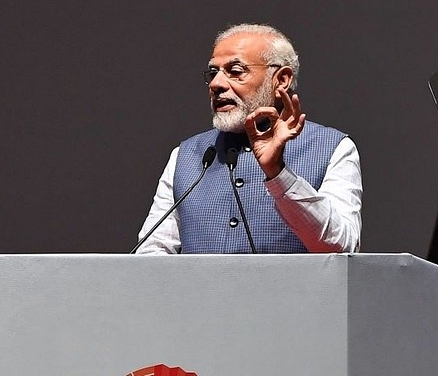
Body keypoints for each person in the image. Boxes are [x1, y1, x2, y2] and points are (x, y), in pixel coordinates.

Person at [135, 23, 362, 254]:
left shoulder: (333, 148)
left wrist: (278, 174)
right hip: (198, 291)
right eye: (213, 73)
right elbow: (151, 253)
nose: (216, 84)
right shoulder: (186, 155)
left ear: (281, 80)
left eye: (235, 71)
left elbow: (341, 246)